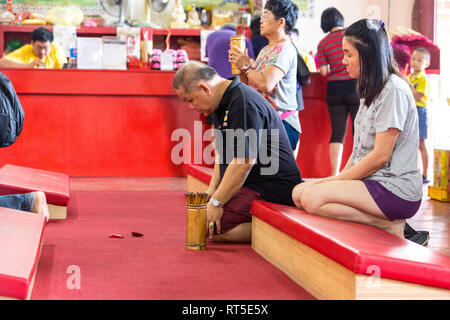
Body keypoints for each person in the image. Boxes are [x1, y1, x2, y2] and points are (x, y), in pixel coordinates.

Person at [291, 19, 423, 240]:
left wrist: (334, 181)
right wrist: (338, 178)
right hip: (372, 182)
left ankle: (388, 224)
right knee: (298, 193)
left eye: (348, 55)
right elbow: (360, 148)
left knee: (312, 198)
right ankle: (384, 223)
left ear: (368, 56)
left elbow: (380, 156)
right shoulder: (368, 87)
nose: (343, 61)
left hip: (395, 188)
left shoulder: (393, 90)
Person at [173, 61, 302, 242]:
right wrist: (212, 191)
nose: (191, 107)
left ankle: (285, 233)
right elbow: (223, 153)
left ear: (205, 89)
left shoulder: (242, 103)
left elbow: (244, 161)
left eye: (190, 100)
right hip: (251, 183)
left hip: (273, 186)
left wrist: (217, 203)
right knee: (203, 220)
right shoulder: (222, 102)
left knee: (213, 228)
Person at [229, 0, 301, 158]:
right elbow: (252, 84)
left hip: (281, 123)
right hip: (265, 120)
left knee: (276, 178)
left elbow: (266, 84)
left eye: (266, 16)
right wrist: (242, 67)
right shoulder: (265, 49)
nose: (261, 20)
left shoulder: (285, 48)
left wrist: (246, 66)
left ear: (281, 22)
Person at [316, 8, 360, 176]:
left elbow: (323, 72)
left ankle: (335, 173)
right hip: (354, 86)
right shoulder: (351, 36)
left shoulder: (323, 43)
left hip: (334, 89)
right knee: (359, 131)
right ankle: (357, 172)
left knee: (337, 133)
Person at [408, 48, 431, 184]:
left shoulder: (423, 78)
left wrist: (408, 85)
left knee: (421, 143)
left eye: (420, 60)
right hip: (410, 110)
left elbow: (418, 95)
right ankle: (411, 173)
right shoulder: (410, 77)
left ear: (426, 64)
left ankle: (425, 174)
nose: (415, 62)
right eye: (413, 59)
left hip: (420, 111)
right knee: (410, 143)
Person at [0, 27, 67, 69]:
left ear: (51, 45)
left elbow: (65, 68)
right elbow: (2, 63)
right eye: (39, 47)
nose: (42, 52)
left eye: (46, 48)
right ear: (32, 43)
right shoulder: (26, 50)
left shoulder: (56, 49)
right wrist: (28, 66)